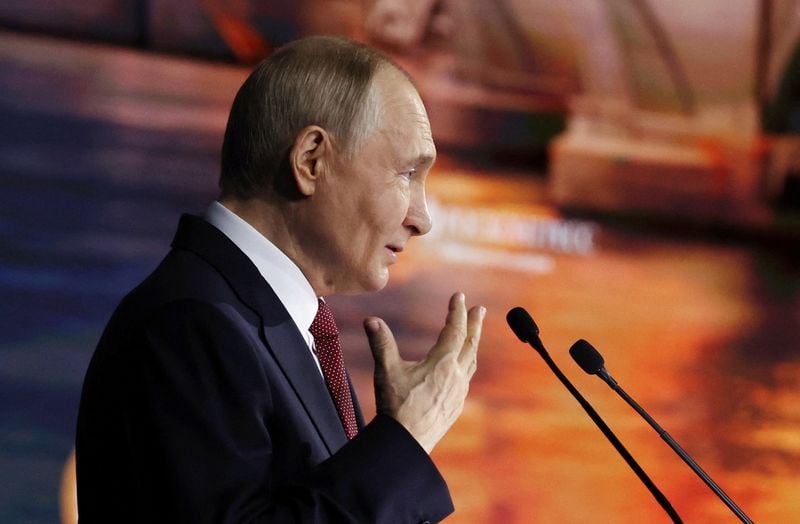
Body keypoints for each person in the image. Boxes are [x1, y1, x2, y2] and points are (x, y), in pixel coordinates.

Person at [75, 35, 485, 523]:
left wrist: (391, 443)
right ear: (311, 160)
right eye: (407, 174)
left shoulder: (271, 326)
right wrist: (404, 442)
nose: (423, 218)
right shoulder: (191, 323)